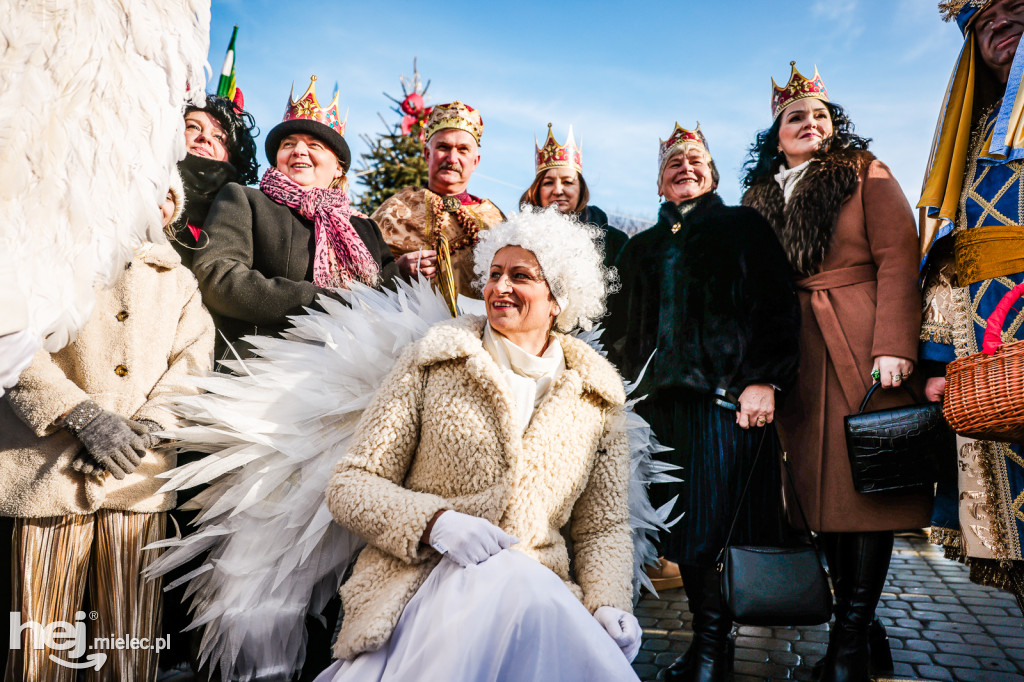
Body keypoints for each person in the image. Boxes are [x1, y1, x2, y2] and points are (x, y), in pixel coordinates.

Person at [315, 207, 641, 682]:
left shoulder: (597, 397)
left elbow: (602, 527)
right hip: (423, 586)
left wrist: (609, 601)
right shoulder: (433, 360)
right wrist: (435, 523)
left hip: (536, 603)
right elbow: (350, 484)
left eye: (520, 276)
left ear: (558, 300)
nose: (499, 287)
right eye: (493, 274)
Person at [741, 64, 930, 682]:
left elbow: (900, 254)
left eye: (820, 114)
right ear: (776, 133)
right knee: (815, 497)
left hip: (858, 339)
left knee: (866, 492)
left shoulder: (862, 171)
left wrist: (895, 342)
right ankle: (865, 631)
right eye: (796, 116)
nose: (810, 123)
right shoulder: (758, 195)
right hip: (792, 346)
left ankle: (848, 650)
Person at [0, 170, 214, 682]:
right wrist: (83, 416)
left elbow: (193, 361)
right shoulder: (56, 260)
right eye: (153, 189)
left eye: (171, 197)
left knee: (130, 641)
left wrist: (151, 425)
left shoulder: (179, 281)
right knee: (39, 639)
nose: (162, 204)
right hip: (48, 472)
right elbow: (17, 347)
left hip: (136, 481)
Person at [607, 124, 800, 682]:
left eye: (696, 160)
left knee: (721, 528)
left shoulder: (742, 226)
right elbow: (620, 330)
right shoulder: (640, 247)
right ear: (660, 179)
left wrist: (766, 380)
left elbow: (777, 307)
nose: (685, 167)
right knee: (684, 532)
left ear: (712, 174)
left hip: (726, 405)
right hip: (657, 411)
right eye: (674, 163)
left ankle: (714, 651)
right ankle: (705, 642)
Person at [919, 0, 1024, 606]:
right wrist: (937, 362)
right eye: (984, 23)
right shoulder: (977, 129)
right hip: (989, 362)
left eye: (1014, 9)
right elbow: (950, 254)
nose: (999, 24)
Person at [192, 76, 400, 359]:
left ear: (338, 168)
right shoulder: (244, 200)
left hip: (361, 366)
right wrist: (322, 301)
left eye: (314, 145)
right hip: (264, 366)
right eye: (288, 144)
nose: (299, 150)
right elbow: (219, 276)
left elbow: (395, 303)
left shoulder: (365, 229)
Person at [372, 101, 505, 309]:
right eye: (443, 147)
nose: (452, 158)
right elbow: (359, 271)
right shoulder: (396, 208)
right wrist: (395, 270)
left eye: (463, 150)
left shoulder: (494, 218)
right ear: (427, 154)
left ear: (475, 161)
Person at [167, 93, 259, 270]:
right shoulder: (143, 185)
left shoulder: (244, 219)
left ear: (233, 156)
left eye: (219, 137)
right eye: (193, 127)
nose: (205, 138)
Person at [519, 123, 628, 268]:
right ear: (537, 190)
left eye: (568, 182)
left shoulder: (616, 242)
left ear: (581, 188)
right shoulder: (517, 237)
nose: (558, 190)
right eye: (548, 183)